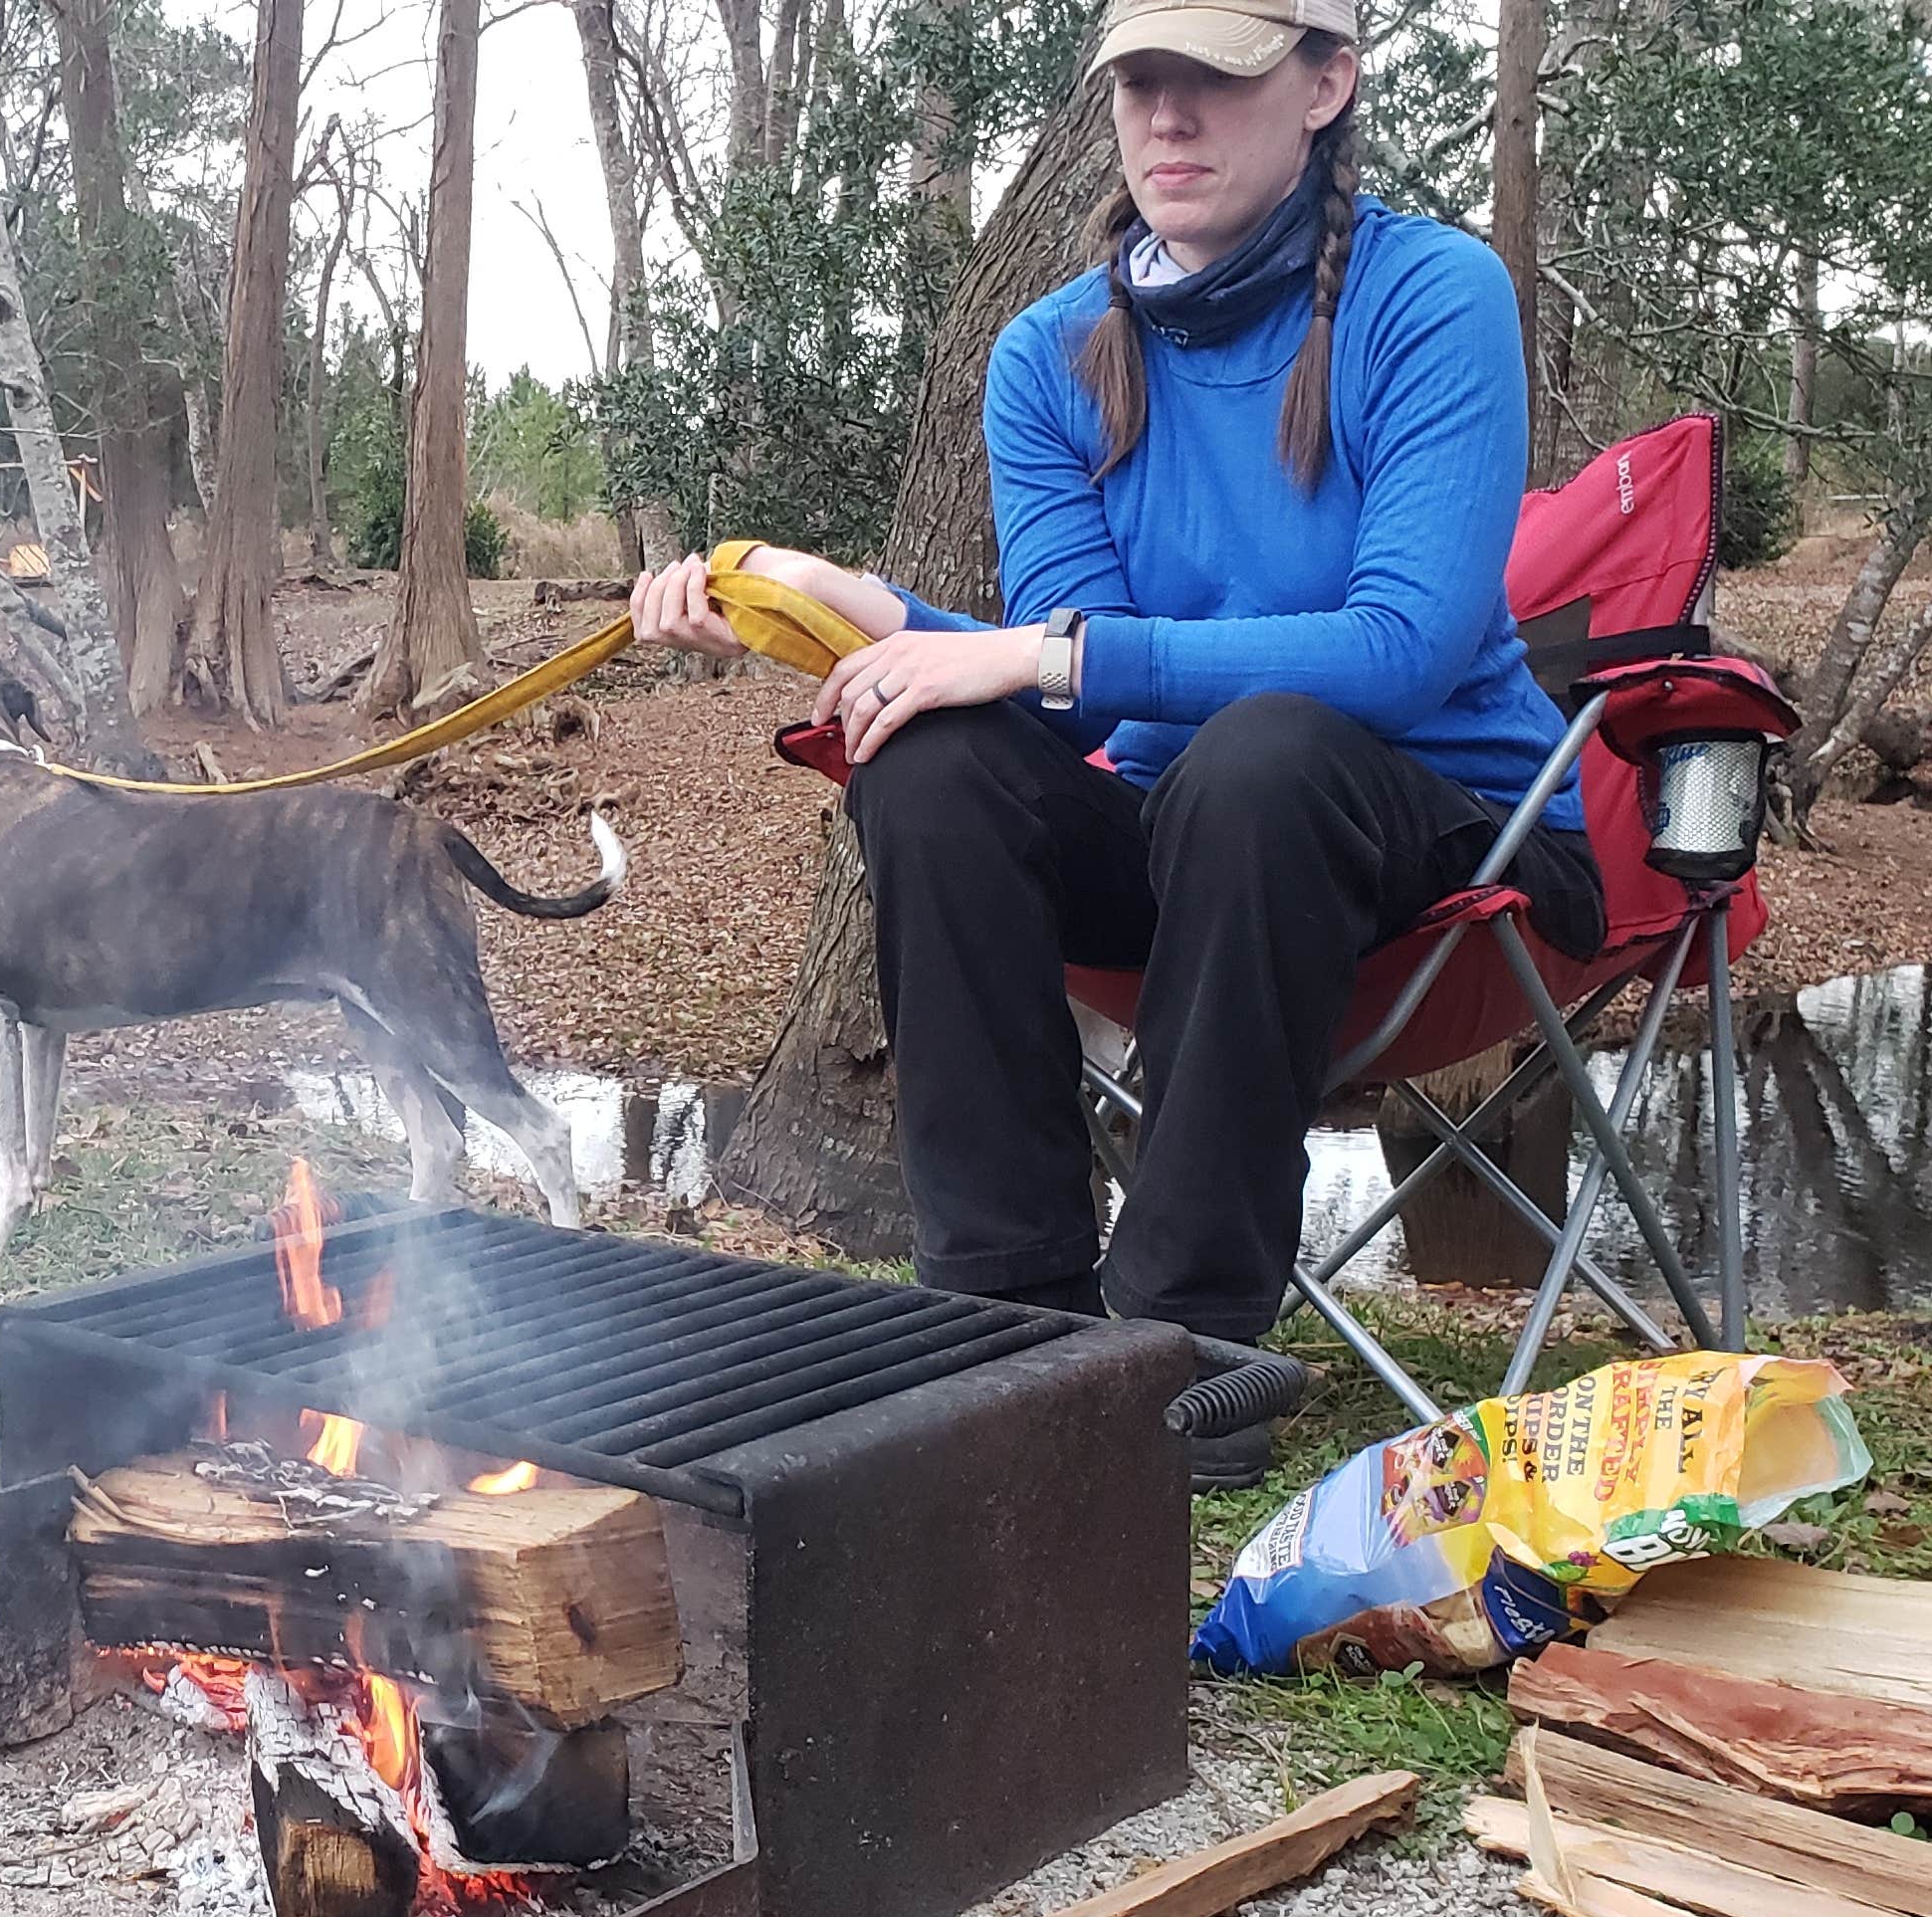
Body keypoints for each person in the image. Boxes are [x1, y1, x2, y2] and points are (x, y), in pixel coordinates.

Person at [629, 0, 1601, 1484]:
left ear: (1326, 85)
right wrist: (849, 603)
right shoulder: (1052, 352)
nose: (1167, 116)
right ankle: (1006, 1325)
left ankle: (1182, 1346)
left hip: (1451, 837)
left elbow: (1399, 651)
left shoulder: (1431, 296)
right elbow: (1080, 676)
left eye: (1214, 77)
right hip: (1191, 839)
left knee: (1263, 757)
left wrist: (1035, 652)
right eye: (1140, 80)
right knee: (931, 761)